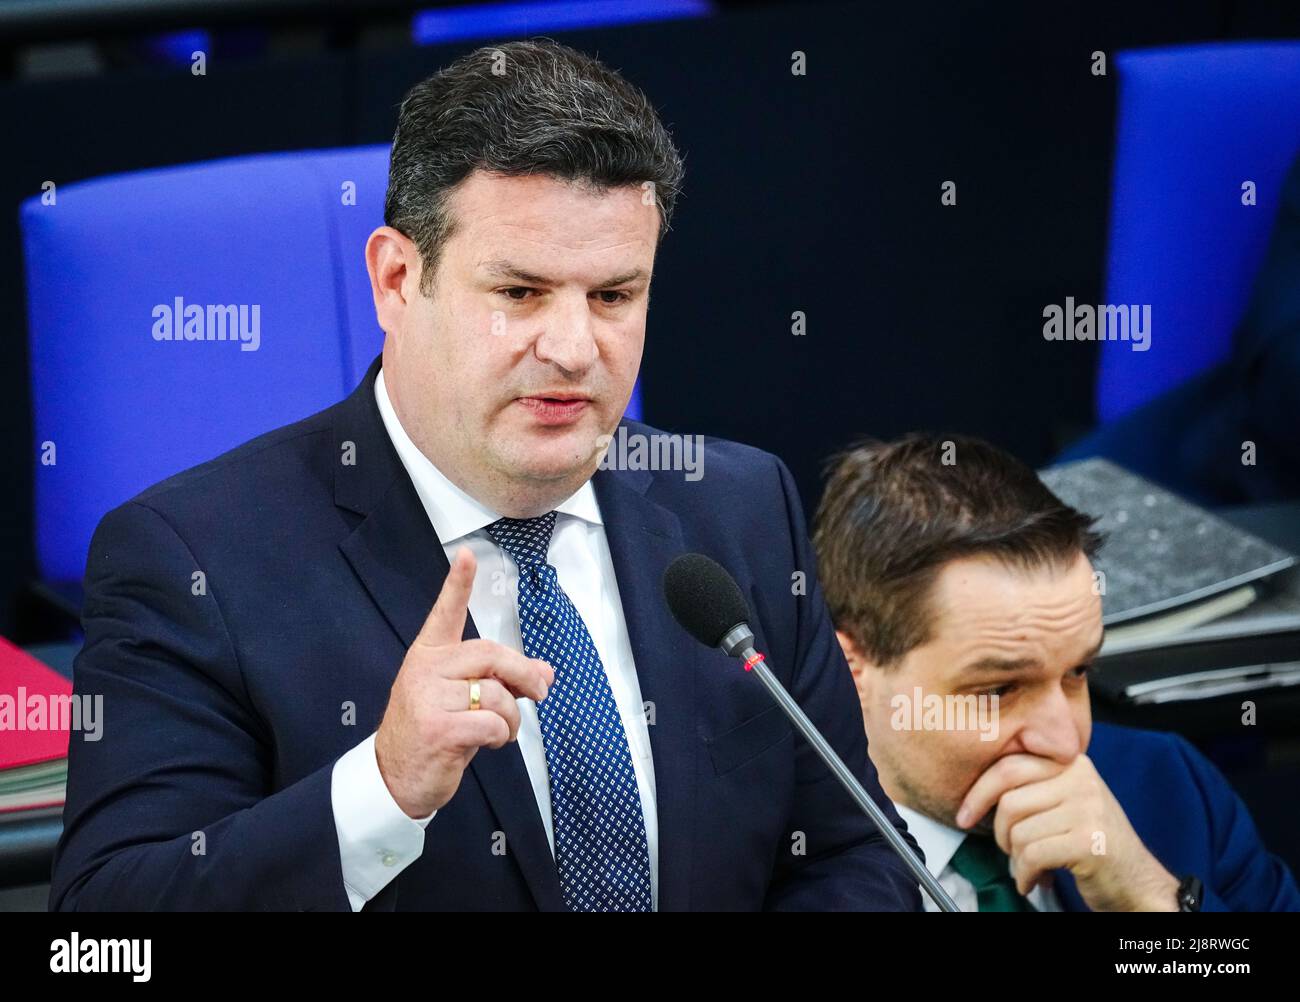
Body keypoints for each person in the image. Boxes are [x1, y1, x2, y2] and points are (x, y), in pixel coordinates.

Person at [50, 39, 920, 912]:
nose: (575, 349)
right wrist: (382, 789)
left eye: (614, 296)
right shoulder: (194, 562)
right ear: (397, 279)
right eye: (520, 293)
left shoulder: (738, 512)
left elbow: (853, 858)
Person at [813, 432, 1300, 911]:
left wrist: (1149, 900)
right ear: (849, 669)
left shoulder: (1170, 788)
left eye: (1078, 671)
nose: (1067, 742)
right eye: (999, 689)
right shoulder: (766, 860)